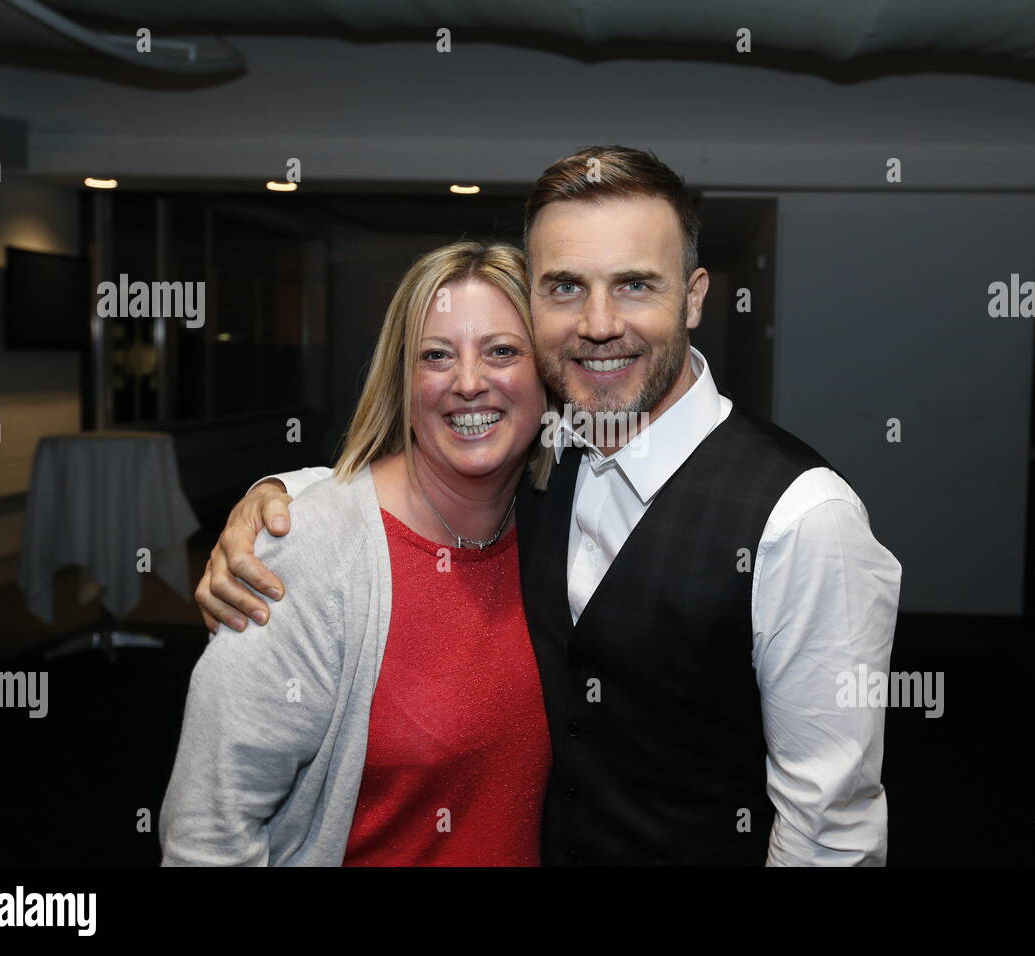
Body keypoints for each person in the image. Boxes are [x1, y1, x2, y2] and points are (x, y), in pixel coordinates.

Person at [197, 146, 903, 866]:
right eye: (565, 287)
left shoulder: (804, 519)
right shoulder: (545, 454)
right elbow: (419, 478)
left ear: (693, 296)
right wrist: (282, 498)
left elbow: (828, 834)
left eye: (634, 285)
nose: (598, 324)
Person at [161, 241, 554, 865]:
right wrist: (280, 501)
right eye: (436, 356)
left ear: (547, 374)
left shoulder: (560, 527)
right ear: (404, 380)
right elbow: (207, 831)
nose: (470, 382)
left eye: (502, 351)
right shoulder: (307, 550)